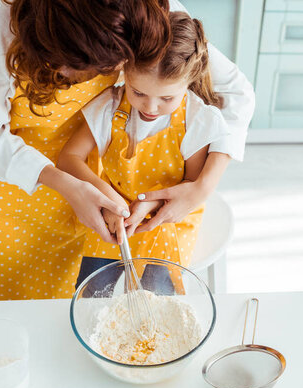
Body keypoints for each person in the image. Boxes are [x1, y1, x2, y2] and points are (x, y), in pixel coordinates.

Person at [0, 0, 254, 301]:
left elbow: (235, 93)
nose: (73, 76)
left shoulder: (148, 13)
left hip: (95, 191)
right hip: (5, 196)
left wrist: (202, 187)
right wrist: (67, 183)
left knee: (75, 313)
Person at [58, 12, 230, 293]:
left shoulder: (196, 120)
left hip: (166, 219)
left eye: (166, 98)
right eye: (137, 93)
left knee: (155, 295)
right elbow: (68, 159)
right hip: (113, 216)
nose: (150, 108)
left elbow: (190, 186)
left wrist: (148, 207)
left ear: (189, 81)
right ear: (124, 72)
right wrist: (108, 198)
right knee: (91, 290)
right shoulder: (109, 107)